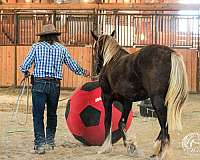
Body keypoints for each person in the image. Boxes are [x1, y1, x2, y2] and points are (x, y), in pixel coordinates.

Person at [19, 24, 90, 154]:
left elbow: (24, 65)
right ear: (55, 36)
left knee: (38, 115)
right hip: (55, 85)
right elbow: (73, 65)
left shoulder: (36, 47)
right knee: (52, 114)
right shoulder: (61, 49)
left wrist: (26, 73)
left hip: (39, 84)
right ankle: (50, 141)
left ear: (43, 36)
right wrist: (84, 72)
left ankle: (40, 144)